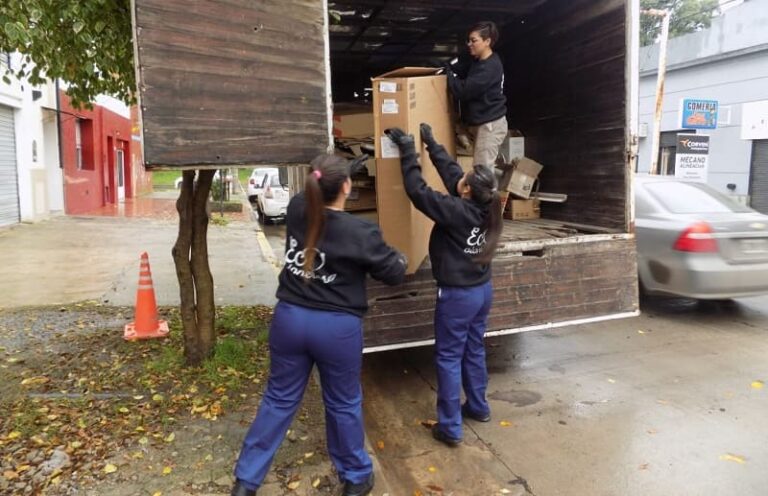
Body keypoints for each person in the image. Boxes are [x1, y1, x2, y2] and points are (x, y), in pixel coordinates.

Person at [231, 154, 407, 496]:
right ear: (346, 187)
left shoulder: (298, 210)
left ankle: (246, 481)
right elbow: (394, 273)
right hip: (336, 328)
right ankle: (356, 478)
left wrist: (341, 171)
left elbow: (312, 191)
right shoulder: (361, 232)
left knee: (278, 400)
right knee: (342, 402)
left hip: (290, 319)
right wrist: (397, 255)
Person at [384, 124, 502, 446]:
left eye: (464, 181)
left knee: (449, 357)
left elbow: (418, 191)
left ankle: (450, 427)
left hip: (458, 296)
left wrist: (408, 150)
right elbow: (453, 175)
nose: (459, 179)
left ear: (466, 191)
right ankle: (478, 407)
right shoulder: (488, 203)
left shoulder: (456, 211)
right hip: (482, 291)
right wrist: (432, 144)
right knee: (473, 349)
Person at [445, 21, 508, 167]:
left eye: (474, 40)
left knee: (482, 172)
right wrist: (448, 67)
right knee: (479, 170)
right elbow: (463, 71)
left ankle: (486, 191)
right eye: (468, 40)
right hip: (479, 122)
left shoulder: (490, 67)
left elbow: (463, 91)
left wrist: (449, 75)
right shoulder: (478, 62)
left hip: (489, 124)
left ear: (487, 41)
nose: (469, 44)